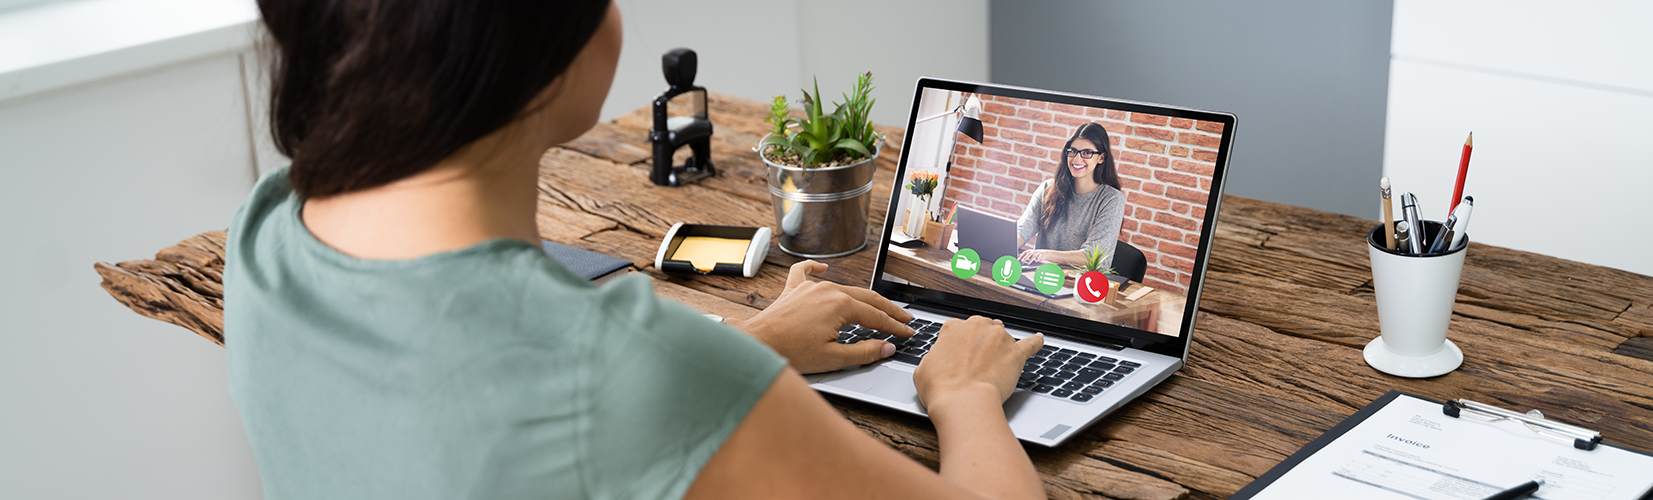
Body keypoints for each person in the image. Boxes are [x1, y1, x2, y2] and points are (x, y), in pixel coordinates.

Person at [225, 1, 1047, 499]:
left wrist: (742, 353)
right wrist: (966, 392)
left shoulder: (268, 231)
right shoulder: (620, 370)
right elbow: (600, 386)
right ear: (532, 44)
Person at [1015, 122, 1127, 269]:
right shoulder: (1048, 188)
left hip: (1081, 285)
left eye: (1087, 153)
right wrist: (1003, 245)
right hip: (1042, 277)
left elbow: (1091, 255)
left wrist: (1045, 254)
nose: (1077, 159)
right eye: (1073, 151)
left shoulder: (1111, 199)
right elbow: (1023, 229)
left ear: (1101, 158)